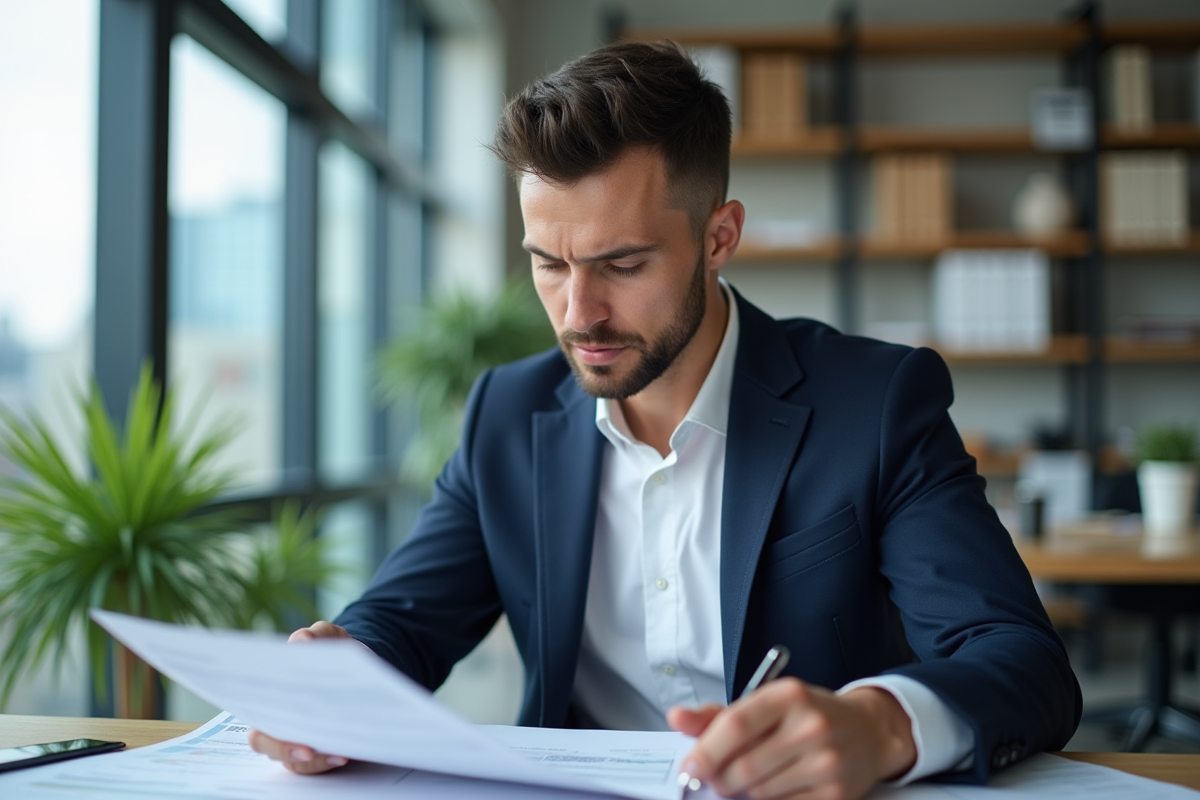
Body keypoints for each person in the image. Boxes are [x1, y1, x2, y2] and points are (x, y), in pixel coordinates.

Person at [249, 40, 1080, 800]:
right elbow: (403, 621)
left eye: (623, 264)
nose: (579, 313)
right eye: (549, 264)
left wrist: (881, 724)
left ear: (719, 238)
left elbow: (1021, 661)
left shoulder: (876, 403)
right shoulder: (507, 413)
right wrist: (340, 674)